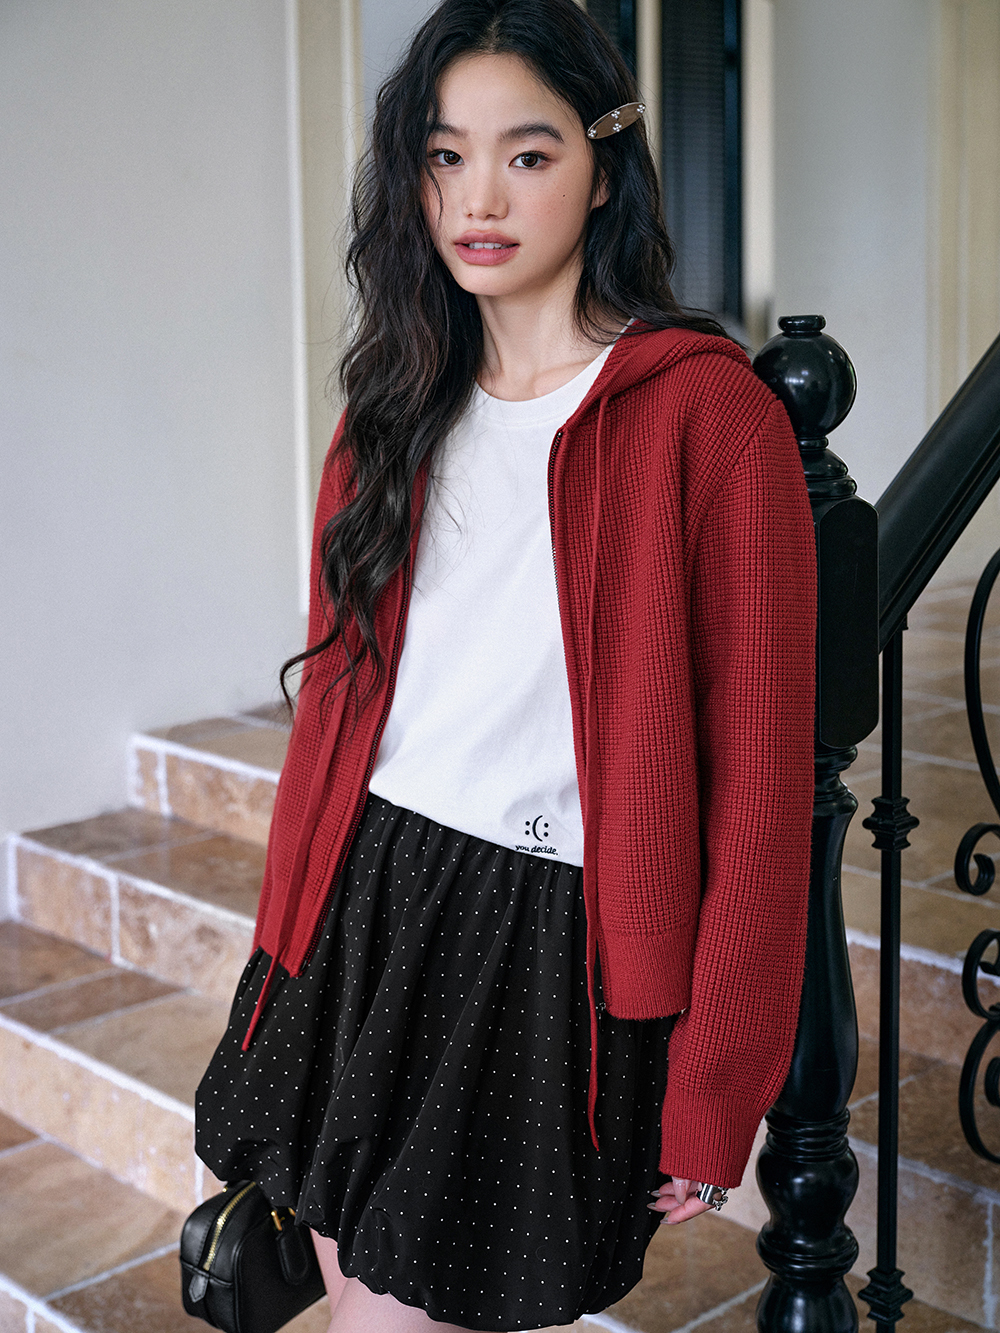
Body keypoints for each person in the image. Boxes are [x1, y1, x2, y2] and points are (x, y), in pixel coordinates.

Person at [195, 1, 816, 1329]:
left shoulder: (709, 418)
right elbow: (337, 716)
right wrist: (279, 954)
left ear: (605, 166)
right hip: (365, 890)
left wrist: (717, 1082)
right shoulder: (395, 402)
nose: (478, 199)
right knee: (358, 1296)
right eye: (445, 155)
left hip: (543, 932)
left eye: (527, 154)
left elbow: (763, 789)